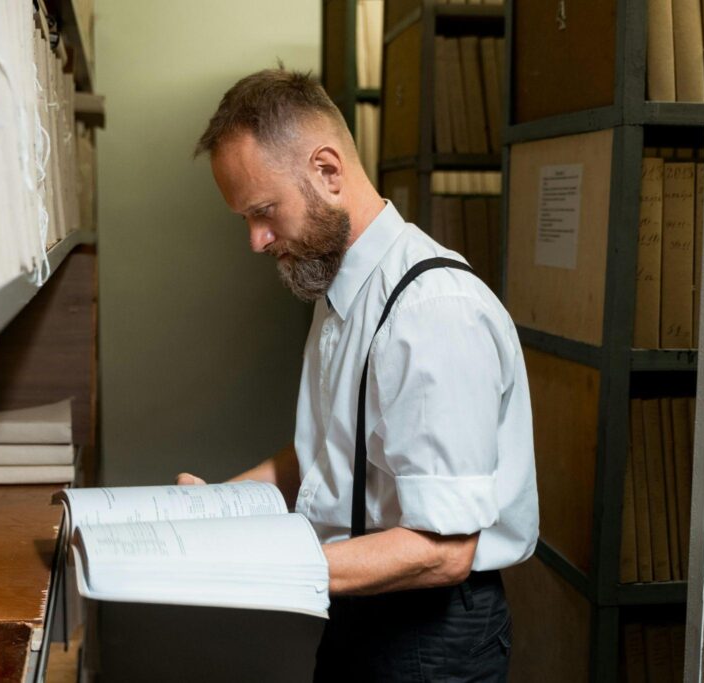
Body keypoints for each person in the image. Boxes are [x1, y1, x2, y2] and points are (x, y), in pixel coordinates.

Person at [179, 66, 538, 682]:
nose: (257, 241)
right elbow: (328, 458)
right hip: (361, 604)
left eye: (264, 211)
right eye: (245, 218)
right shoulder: (338, 284)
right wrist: (216, 508)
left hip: (430, 632)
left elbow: (444, 551)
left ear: (327, 171)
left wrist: (259, 562)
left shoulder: (431, 311)